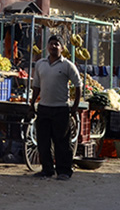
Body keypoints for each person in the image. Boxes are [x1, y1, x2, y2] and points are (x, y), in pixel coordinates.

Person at [30, 35, 82, 180]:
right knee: (43, 142)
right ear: (47, 46)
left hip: (61, 109)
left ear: (62, 48)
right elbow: (36, 86)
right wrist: (32, 103)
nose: (53, 46)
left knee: (62, 142)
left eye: (57, 44)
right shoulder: (40, 64)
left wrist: (75, 106)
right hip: (43, 108)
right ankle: (47, 170)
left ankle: (64, 171)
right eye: (51, 44)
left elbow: (78, 85)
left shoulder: (67, 65)